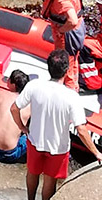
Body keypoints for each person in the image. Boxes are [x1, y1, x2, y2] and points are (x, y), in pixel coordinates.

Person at [11, 50, 102, 200]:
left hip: (35, 141)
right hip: (58, 148)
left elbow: (14, 108)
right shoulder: (72, 97)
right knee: (50, 181)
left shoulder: (34, 86)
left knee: (32, 173)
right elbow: (81, 129)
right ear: (66, 71)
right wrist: (96, 153)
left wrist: (22, 127)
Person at [35, 0, 86, 92]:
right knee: (72, 59)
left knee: (66, 61)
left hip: (68, 32)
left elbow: (72, 21)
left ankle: (70, 90)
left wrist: (61, 30)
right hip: (79, 25)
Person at [0, 69, 30, 163]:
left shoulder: (0, 94)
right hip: (9, 155)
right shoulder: (29, 106)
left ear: (13, 84)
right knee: (30, 134)